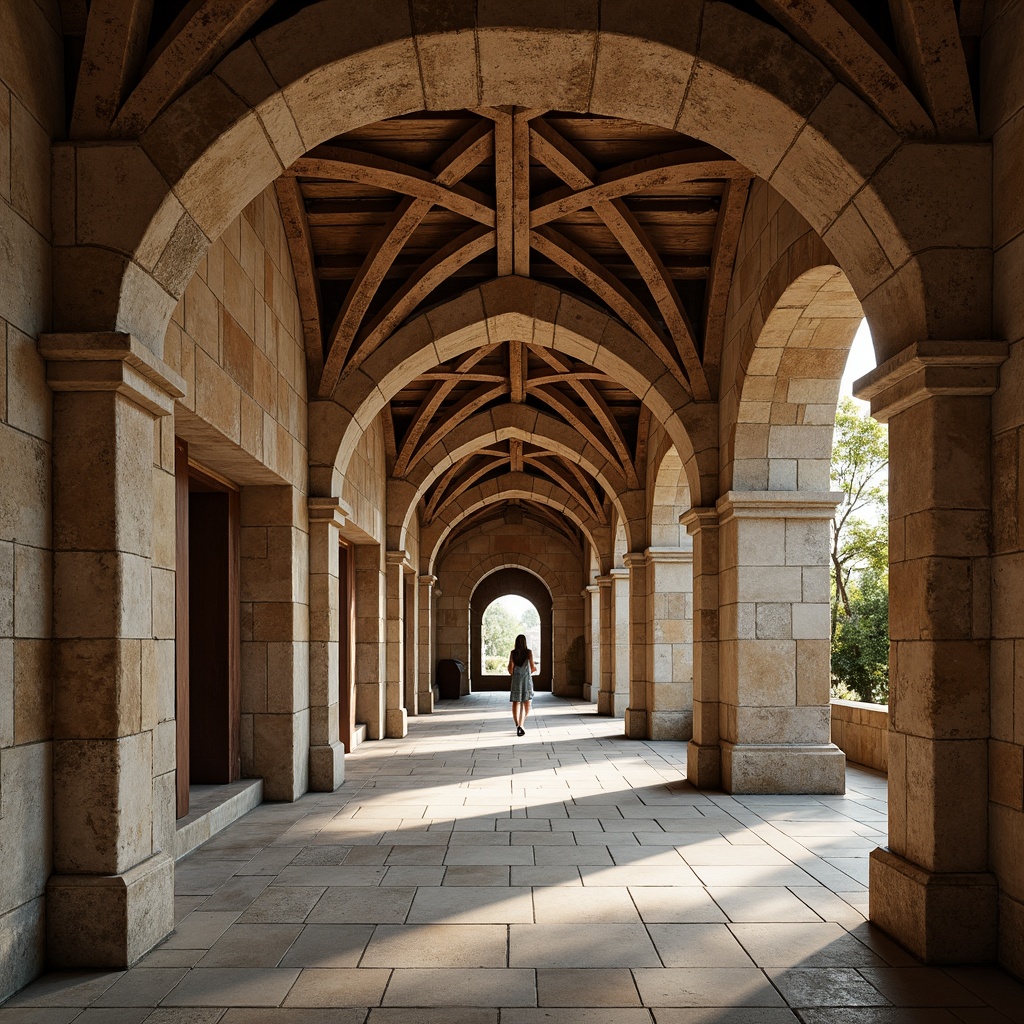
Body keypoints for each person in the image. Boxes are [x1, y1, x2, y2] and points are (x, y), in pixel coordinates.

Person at [507, 633, 536, 737]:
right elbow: (532, 667)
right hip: (526, 680)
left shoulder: (513, 653)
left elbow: (510, 669)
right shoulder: (529, 653)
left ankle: (518, 725)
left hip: (516, 680)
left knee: (516, 702)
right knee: (526, 702)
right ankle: (521, 724)